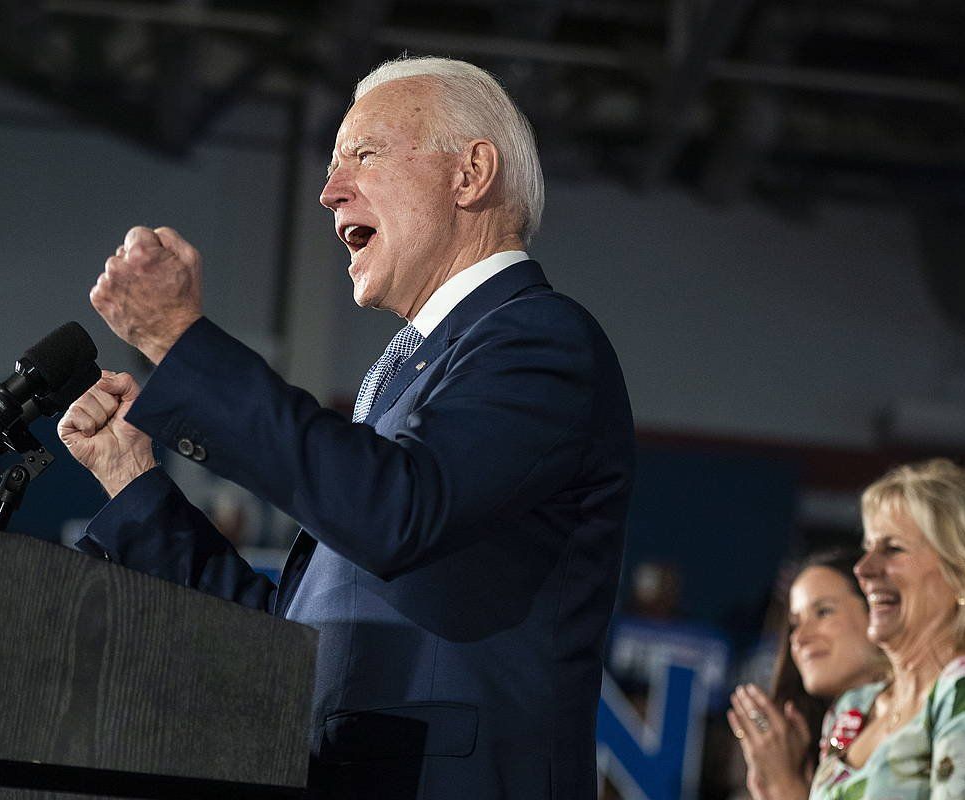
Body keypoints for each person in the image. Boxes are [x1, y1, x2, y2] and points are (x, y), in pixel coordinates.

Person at [57, 56, 634, 800]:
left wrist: (180, 342)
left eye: (363, 155)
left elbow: (395, 512)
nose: (330, 193)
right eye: (333, 168)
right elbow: (288, 644)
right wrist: (131, 483)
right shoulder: (405, 377)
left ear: (470, 174)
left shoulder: (540, 339)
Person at [809, 459, 965, 800]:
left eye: (893, 549)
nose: (863, 569)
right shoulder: (854, 708)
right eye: (868, 549)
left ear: (962, 574)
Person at [727, 549, 886, 800]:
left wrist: (786, 788)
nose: (800, 638)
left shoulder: (924, 718)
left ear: (877, 609)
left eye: (823, 611)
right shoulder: (810, 742)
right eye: (794, 624)